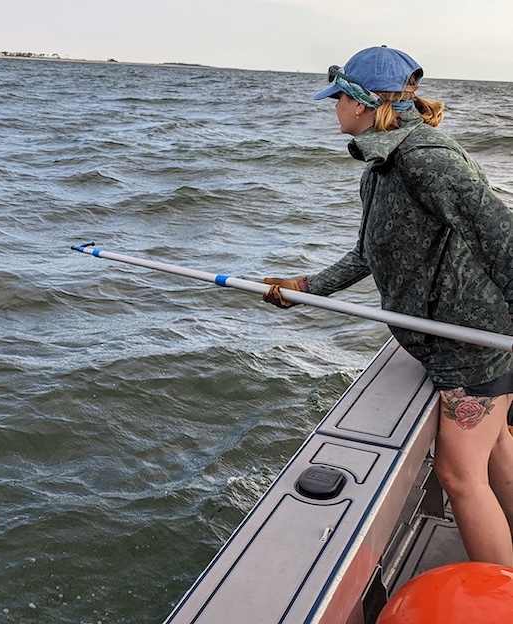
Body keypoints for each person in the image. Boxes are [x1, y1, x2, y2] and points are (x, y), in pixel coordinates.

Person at [262, 45, 513, 566]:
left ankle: (499, 597)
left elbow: (501, 237)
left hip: (471, 346)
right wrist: (307, 287)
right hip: (443, 342)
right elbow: (368, 254)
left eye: (336, 99)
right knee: (496, 456)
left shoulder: (427, 160)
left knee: (459, 478)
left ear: (360, 102)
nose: (333, 108)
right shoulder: (380, 167)